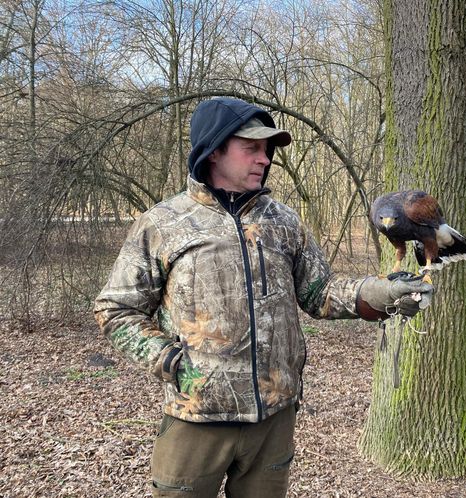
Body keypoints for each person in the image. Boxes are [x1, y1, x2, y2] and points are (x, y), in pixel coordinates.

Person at [94, 97, 433, 498]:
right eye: (251, 147)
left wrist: (380, 294)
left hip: (273, 419)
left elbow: (320, 292)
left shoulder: (284, 221)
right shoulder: (164, 224)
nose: (264, 159)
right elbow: (116, 308)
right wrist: (171, 361)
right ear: (214, 149)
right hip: (197, 416)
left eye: (268, 149)